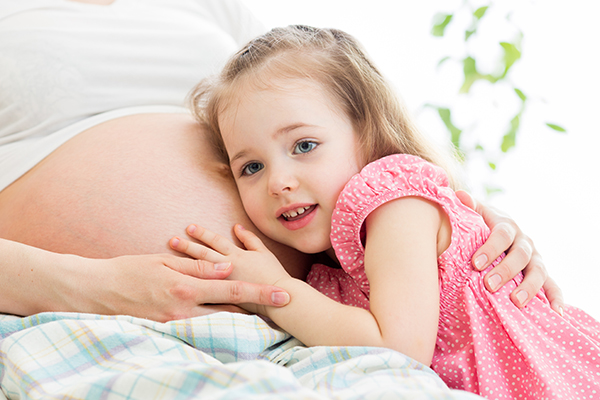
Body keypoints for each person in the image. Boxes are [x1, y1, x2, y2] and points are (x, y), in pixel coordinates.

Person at [0, 1, 560, 322]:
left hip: (315, 322)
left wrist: (462, 219)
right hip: (80, 313)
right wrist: (85, 284)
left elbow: (322, 110)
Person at [171, 25, 600, 399]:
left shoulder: (397, 204)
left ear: (367, 132)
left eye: (304, 146)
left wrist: (273, 291)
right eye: (251, 167)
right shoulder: (335, 270)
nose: (277, 181)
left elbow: (398, 348)